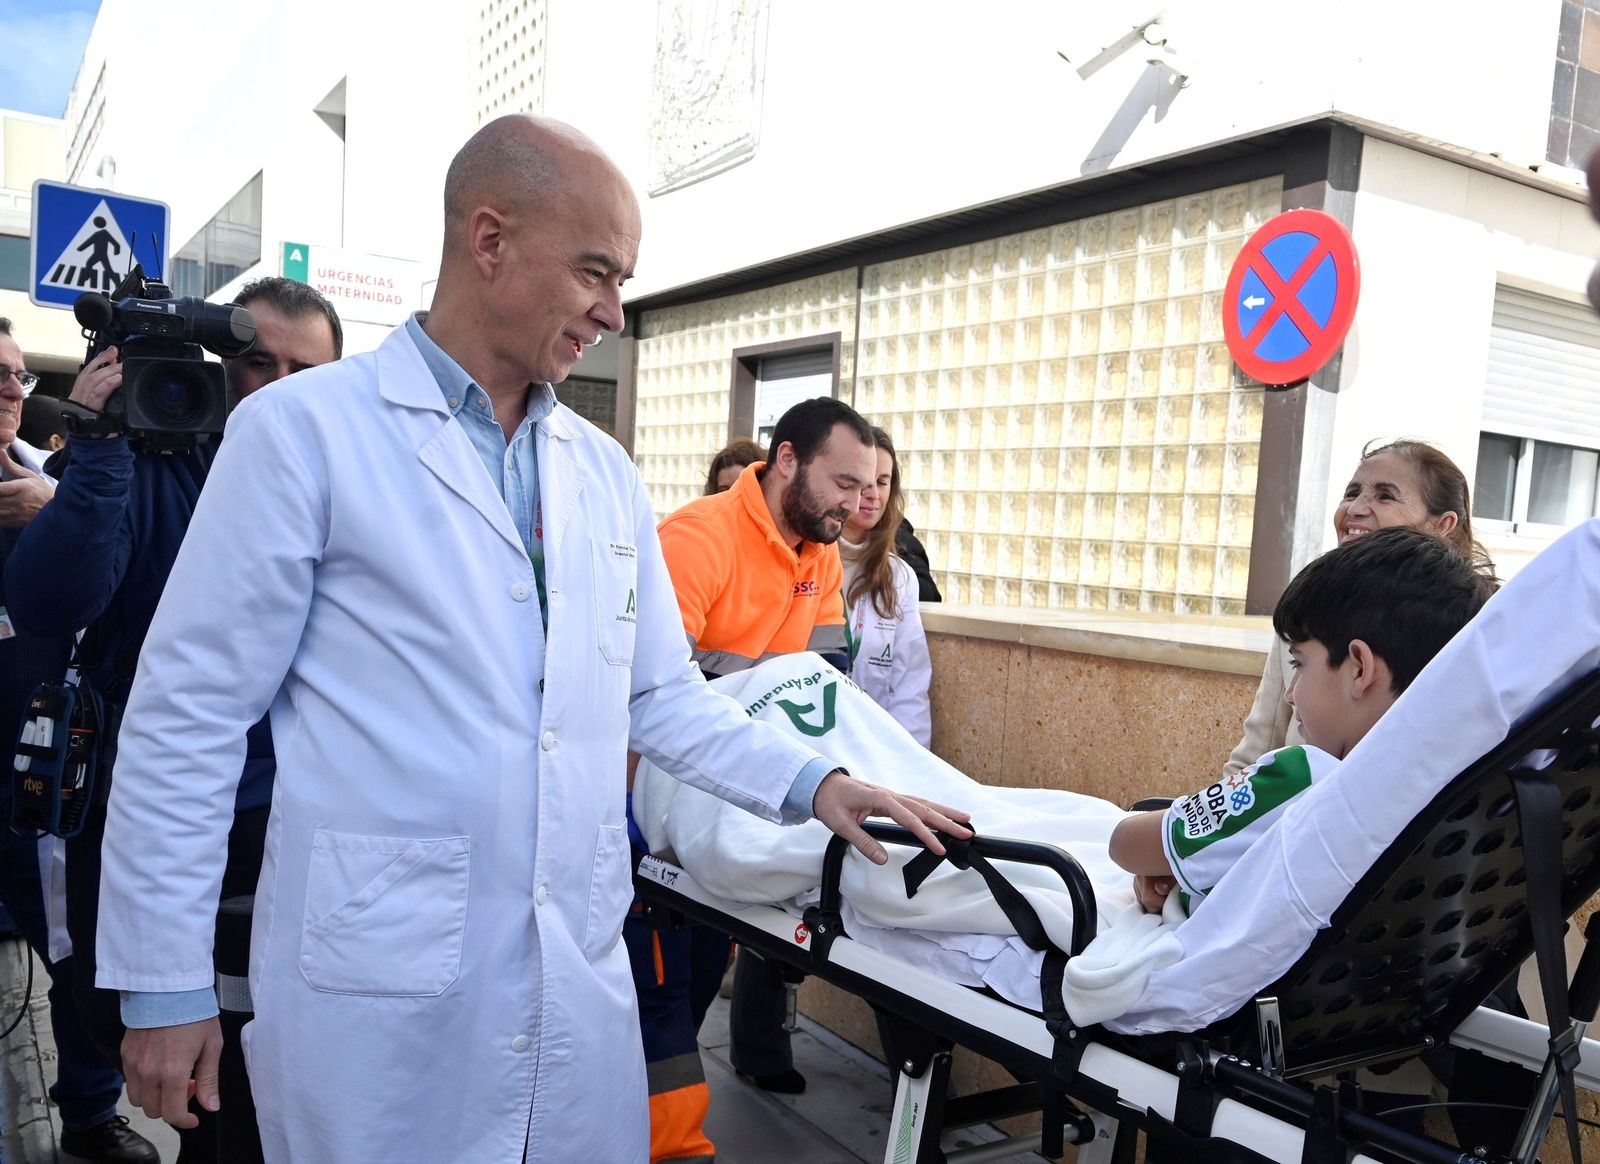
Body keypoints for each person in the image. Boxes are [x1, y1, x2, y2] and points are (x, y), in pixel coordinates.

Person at [83, 115, 966, 1164]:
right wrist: (165, 986)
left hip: (572, 975)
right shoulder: (302, 433)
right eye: (596, 272)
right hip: (377, 987)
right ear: (490, 241)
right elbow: (187, 718)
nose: (613, 312)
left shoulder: (603, 473)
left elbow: (659, 695)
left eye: (621, 281)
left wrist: (817, 783)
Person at [3, 278, 343, 1161]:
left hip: (306, 829)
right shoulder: (143, 460)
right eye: (255, 362)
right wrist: (98, 447)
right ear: (215, 366)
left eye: (305, 371)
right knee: (205, 1089)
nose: (276, 388)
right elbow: (48, 601)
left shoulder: (353, 480)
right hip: (158, 821)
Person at [1108, 526, 1495, 912]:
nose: (1290, 693)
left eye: (1299, 664)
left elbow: (1125, 844)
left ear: (1360, 668)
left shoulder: (1302, 777)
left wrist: (1162, 867)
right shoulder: (1453, 789)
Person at [0, 320, 158, 1163]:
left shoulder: (54, 478)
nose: (11, 391)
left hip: (45, 772)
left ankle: (90, 1116)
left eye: (19, 376)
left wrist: (58, 509)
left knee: (72, 953)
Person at [1223, 438, 1491, 779]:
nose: (1355, 509)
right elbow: (1252, 757)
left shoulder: (1467, 629)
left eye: (1385, 496)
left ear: (1442, 524)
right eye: (1352, 493)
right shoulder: (1308, 612)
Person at [839, 426, 931, 746]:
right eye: (864, 481)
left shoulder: (899, 577)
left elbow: (910, 688)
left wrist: (908, 761)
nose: (873, 494)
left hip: (873, 748)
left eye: (882, 482)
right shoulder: (805, 559)